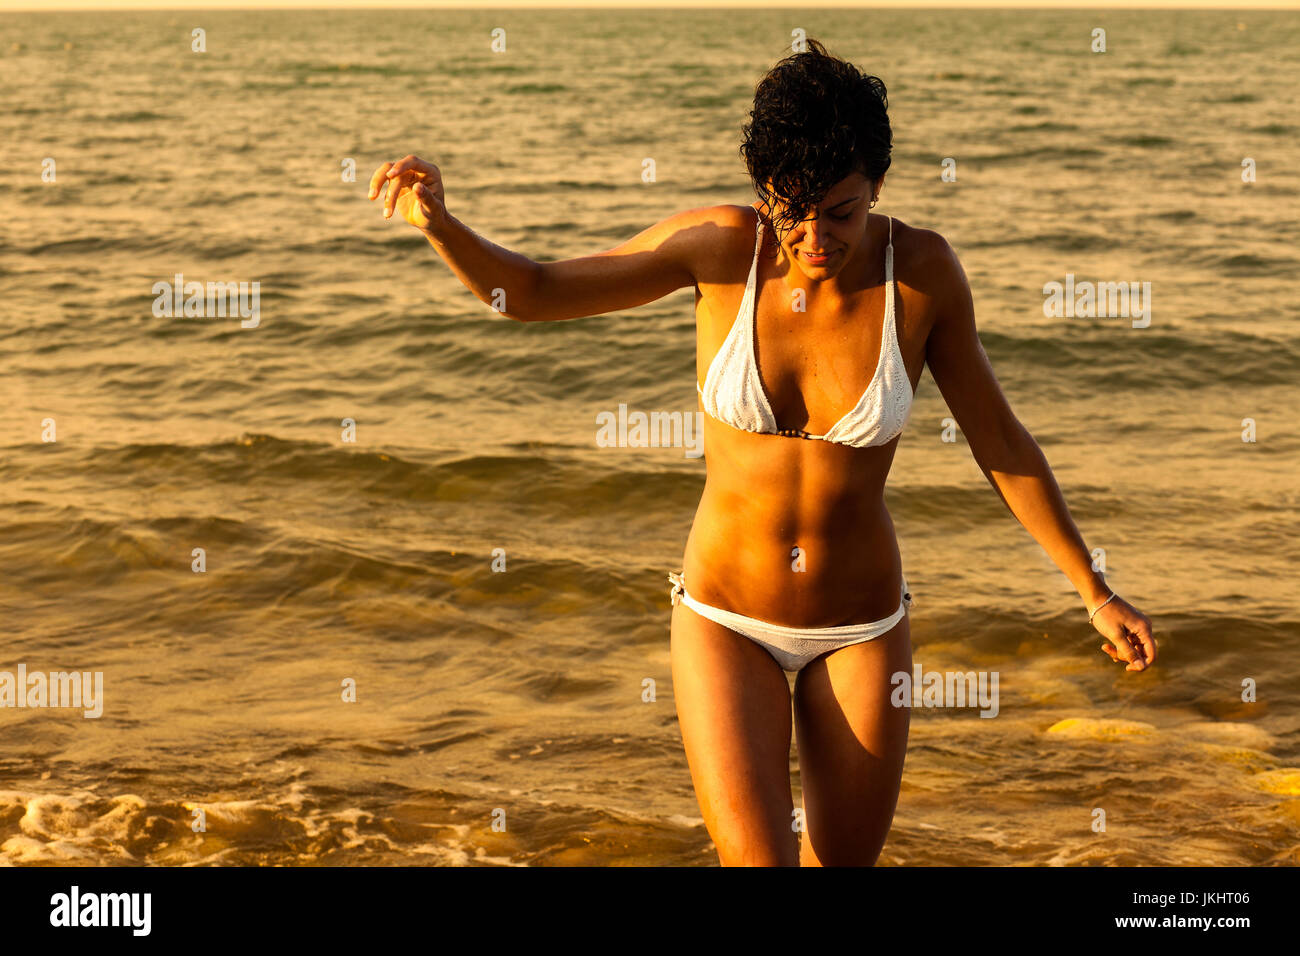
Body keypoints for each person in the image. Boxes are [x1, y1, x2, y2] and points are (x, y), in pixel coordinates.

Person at [368, 38, 1157, 867]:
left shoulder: (920, 275)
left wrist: (1093, 590)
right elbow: (530, 292)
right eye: (792, 210)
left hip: (860, 628)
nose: (813, 236)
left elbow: (999, 441)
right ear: (764, 193)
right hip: (724, 618)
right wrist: (443, 227)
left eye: (842, 211)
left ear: (878, 186)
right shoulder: (718, 249)